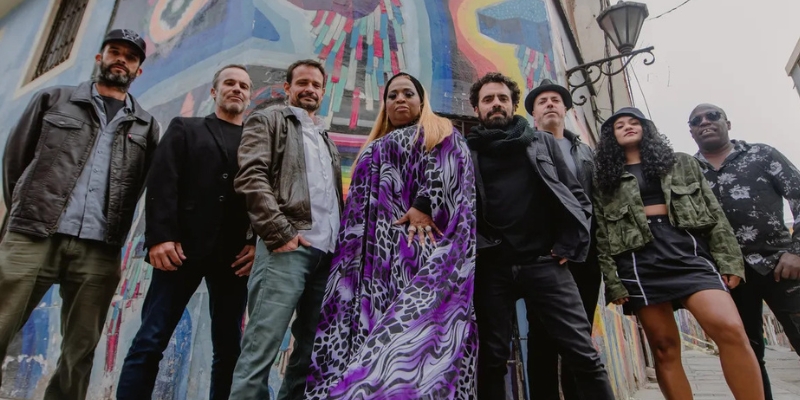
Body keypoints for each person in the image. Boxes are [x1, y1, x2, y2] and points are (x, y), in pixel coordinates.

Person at [0, 29, 159, 400]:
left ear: (138, 70)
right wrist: (27, 212)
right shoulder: (53, 99)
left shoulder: (146, 125)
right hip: (33, 235)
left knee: (80, 351)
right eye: (114, 52)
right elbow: (16, 163)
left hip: (99, 248)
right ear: (100, 57)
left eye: (130, 57)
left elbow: (141, 185)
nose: (121, 60)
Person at [305, 72, 478, 399]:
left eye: (408, 93)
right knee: (361, 329)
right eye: (393, 95)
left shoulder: (439, 131)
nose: (400, 99)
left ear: (421, 101)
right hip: (364, 260)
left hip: (411, 252)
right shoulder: (374, 144)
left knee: (410, 334)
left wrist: (424, 205)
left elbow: (451, 168)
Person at [594, 107, 763, 399]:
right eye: (619, 126)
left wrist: (729, 261)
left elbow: (714, 213)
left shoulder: (681, 163)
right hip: (638, 261)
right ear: (611, 137)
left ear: (646, 128)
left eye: (634, 122)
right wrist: (613, 280)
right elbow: (602, 232)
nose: (627, 127)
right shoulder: (605, 177)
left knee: (731, 329)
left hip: (688, 252)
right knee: (664, 347)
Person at [466, 72, 614, 400]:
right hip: (492, 268)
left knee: (583, 353)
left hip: (545, 263)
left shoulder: (540, 142)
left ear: (513, 105)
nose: (496, 104)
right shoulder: (466, 152)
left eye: (502, 98)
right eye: (488, 99)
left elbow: (577, 196)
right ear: (476, 108)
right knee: (491, 359)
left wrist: (569, 243)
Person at [116, 65, 255, 400]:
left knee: (229, 348)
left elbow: (260, 196)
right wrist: (160, 238)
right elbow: (163, 182)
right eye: (229, 83)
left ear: (249, 96)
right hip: (179, 252)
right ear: (214, 91)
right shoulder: (185, 128)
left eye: (243, 85)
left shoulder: (255, 142)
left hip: (233, 259)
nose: (236, 89)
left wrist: (254, 243)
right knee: (151, 339)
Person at [228, 59, 343, 400]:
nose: (309, 89)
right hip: (287, 248)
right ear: (288, 88)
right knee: (261, 348)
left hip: (326, 256)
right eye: (302, 83)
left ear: (323, 91)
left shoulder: (325, 138)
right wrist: (279, 233)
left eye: (316, 85)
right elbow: (251, 176)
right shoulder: (268, 119)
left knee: (310, 351)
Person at [689, 103, 800, 400]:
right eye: (696, 120)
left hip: (781, 265)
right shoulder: (688, 170)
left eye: (713, 116)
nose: (705, 122)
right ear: (691, 132)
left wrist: (797, 251)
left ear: (728, 123)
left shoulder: (762, 155)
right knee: (746, 353)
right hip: (728, 276)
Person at [523, 79, 601, 400]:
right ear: (533, 114)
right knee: (542, 338)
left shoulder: (586, 153)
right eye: (542, 101)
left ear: (566, 109)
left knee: (579, 337)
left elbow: (596, 203)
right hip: (544, 256)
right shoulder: (525, 148)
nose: (550, 104)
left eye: (555, 100)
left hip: (584, 255)